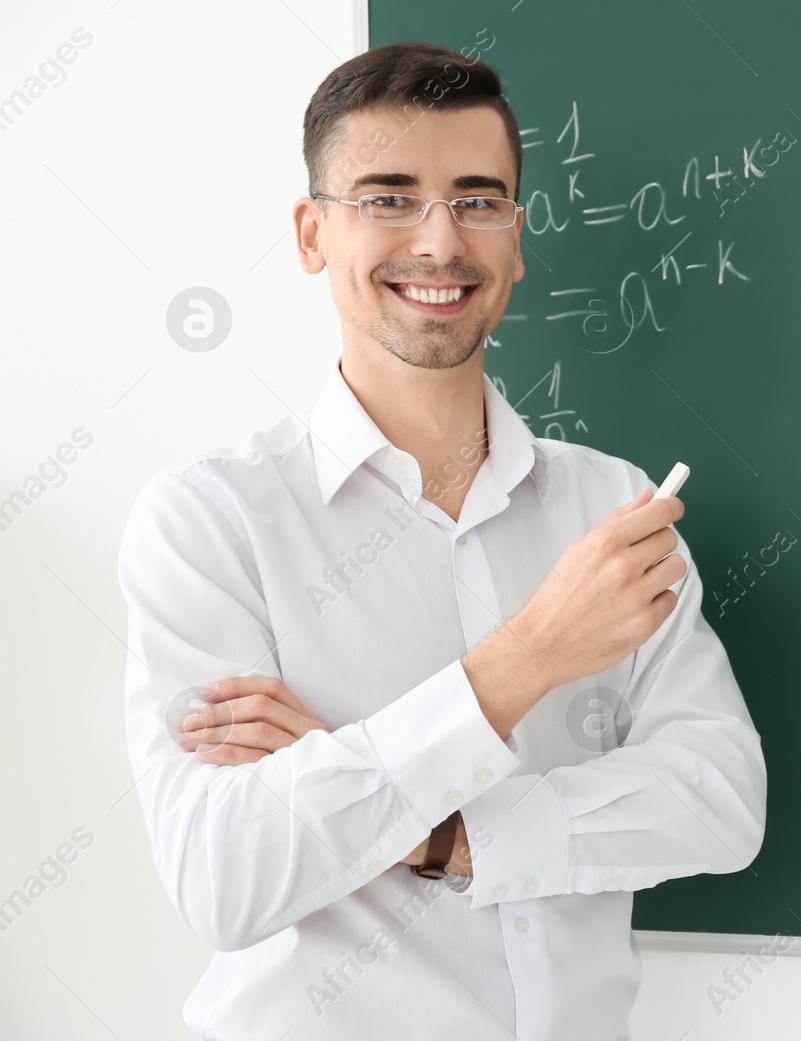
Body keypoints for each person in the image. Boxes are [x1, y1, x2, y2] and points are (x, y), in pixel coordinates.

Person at [117, 40, 766, 1040]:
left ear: (515, 234)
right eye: (386, 198)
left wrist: (430, 830)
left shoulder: (610, 504)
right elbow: (227, 879)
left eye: (476, 199)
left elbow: (719, 802)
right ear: (309, 233)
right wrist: (530, 655)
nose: (440, 241)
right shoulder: (211, 520)